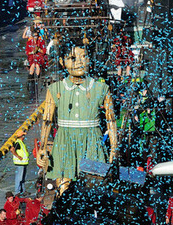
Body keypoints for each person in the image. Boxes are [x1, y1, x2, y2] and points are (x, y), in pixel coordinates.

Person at [36, 47, 117, 191]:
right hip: (65, 142)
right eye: (72, 58)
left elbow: (111, 120)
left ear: (89, 60)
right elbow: (47, 120)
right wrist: (42, 148)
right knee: (63, 186)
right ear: (62, 62)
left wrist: (114, 148)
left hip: (92, 141)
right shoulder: (55, 89)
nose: (79, 62)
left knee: (94, 187)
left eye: (83, 57)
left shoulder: (101, 88)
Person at [25, 33, 46, 101]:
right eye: (34, 36)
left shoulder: (41, 42)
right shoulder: (29, 43)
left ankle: (37, 76)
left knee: (37, 64)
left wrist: (39, 49)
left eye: (36, 36)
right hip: (32, 56)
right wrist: (32, 52)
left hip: (39, 56)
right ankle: (30, 77)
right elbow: (27, 52)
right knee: (33, 64)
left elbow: (44, 51)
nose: (35, 37)